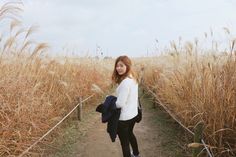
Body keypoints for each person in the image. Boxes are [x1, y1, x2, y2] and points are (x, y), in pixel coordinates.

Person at [112, 55, 140, 157]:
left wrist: (110, 103)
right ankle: (136, 154)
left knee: (124, 143)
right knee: (130, 134)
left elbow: (120, 104)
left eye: (121, 65)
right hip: (133, 114)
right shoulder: (133, 78)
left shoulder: (125, 83)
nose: (118, 68)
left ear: (127, 66)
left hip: (124, 118)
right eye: (117, 65)